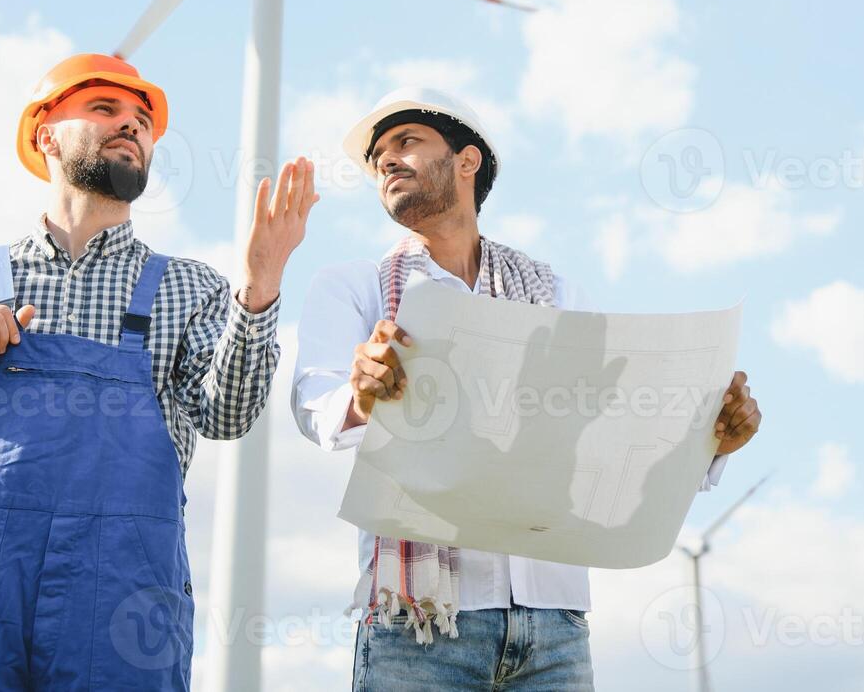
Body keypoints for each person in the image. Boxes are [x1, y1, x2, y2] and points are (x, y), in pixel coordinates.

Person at [0, 53, 318, 689]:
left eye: (143, 121)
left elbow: (229, 417)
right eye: (106, 109)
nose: (132, 126)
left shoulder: (189, 288)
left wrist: (259, 291)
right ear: (46, 133)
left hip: (119, 600)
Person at [291, 88, 761, 690]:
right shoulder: (352, 287)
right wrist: (364, 395)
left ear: (467, 161)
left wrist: (713, 439)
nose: (386, 159)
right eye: (378, 152)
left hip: (553, 625)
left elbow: (616, 428)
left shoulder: (558, 294)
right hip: (421, 628)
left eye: (406, 141)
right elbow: (315, 406)